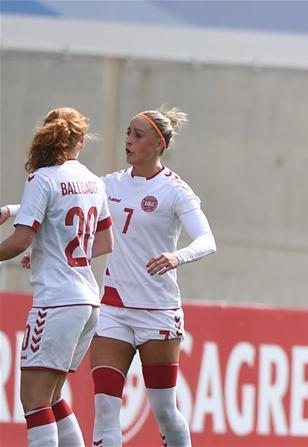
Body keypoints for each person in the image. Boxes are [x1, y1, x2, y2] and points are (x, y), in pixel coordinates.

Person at [78, 106, 216, 447]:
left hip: (158, 312)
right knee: (105, 409)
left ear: (159, 144)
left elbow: (207, 240)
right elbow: (61, 199)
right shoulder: (108, 183)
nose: (128, 141)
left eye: (137, 135)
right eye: (127, 132)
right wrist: (16, 214)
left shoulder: (175, 191)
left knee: (164, 410)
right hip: (113, 309)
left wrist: (176, 256)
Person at [0, 107, 114, 447]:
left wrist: (39, 249)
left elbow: (21, 240)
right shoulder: (95, 182)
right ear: (80, 141)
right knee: (51, 398)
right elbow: (105, 241)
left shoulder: (42, 178)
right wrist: (49, 251)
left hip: (57, 303)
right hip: (88, 302)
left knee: (33, 402)